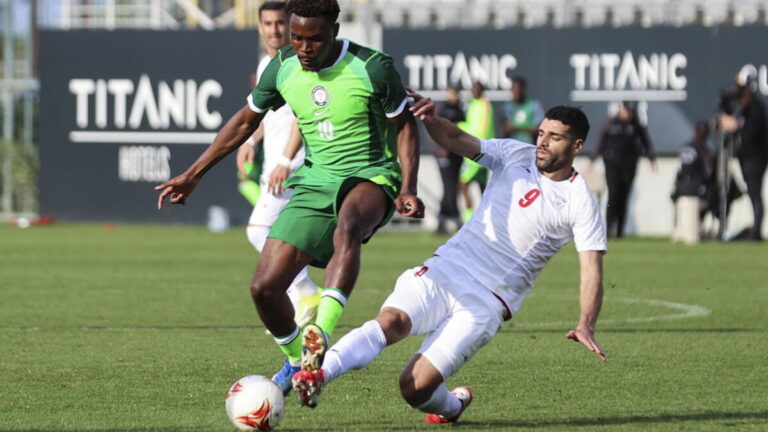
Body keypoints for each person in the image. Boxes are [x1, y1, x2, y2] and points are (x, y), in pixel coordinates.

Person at [155, 0, 424, 394]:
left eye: (314, 39)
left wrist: (408, 187)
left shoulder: (372, 67)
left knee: (348, 225)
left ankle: (320, 331)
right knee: (263, 289)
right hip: (314, 180)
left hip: (370, 174)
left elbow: (404, 126)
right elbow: (246, 120)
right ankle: (302, 362)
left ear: (334, 29)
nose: (304, 47)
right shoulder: (283, 65)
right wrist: (194, 174)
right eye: (297, 37)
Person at [292, 90, 608, 425]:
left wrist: (585, 324)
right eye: (542, 133)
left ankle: (452, 407)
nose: (542, 143)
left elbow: (591, 269)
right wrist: (430, 118)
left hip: (488, 301)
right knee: (390, 322)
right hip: (447, 268)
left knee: (413, 387)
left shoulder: (580, 201)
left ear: (576, 146)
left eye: (555, 138)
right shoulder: (517, 153)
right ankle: (315, 375)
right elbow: (457, 138)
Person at [234, 1, 320, 329]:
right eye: (268, 23)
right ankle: (307, 295)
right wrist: (250, 142)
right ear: (260, 27)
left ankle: (305, 291)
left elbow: (303, 116)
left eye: (280, 23)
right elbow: (263, 115)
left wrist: (285, 160)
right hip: (276, 163)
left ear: (290, 25)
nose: (274, 30)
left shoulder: (299, 64)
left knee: (259, 230)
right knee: (276, 233)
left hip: (294, 164)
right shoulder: (265, 64)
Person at [590, 101, 656, 238]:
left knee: (624, 197)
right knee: (613, 194)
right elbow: (601, 141)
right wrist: (592, 159)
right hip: (612, 164)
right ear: (622, 109)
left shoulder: (636, 125)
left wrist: (652, 159)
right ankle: (608, 229)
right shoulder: (611, 123)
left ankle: (620, 232)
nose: (629, 114)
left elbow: (646, 142)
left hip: (629, 165)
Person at [721, 83, 767, 241]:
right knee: (753, 194)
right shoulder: (746, 110)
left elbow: (751, 134)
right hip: (747, 157)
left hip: (755, 158)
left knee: (755, 194)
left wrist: (736, 127)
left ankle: (756, 231)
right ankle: (755, 229)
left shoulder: (757, 110)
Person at [457, 81, 495, 222]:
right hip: (479, 151)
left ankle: (469, 222)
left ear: (482, 90)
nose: (473, 91)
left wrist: (460, 126)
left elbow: (481, 131)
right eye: (472, 88)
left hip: (478, 152)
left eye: (476, 88)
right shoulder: (474, 104)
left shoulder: (484, 105)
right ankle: (486, 220)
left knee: (463, 185)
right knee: (483, 188)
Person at [671, 122, 713, 244]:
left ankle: (682, 230)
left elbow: (680, 171)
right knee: (710, 200)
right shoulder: (703, 149)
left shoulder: (685, 146)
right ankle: (698, 229)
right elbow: (708, 171)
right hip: (696, 189)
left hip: (681, 189)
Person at [434, 84, 465, 234]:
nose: (455, 95)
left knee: (452, 187)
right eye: (452, 92)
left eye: (457, 92)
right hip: (444, 152)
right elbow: (434, 128)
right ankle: (458, 220)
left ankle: (440, 221)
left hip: (457, 152)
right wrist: (440, 146)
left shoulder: (461, 108)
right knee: (449, 187)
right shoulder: (442, 108)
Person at [501, 76, 544, 144]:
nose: (516, 93)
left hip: (529, 146)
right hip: (512, 147)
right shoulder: (508, 106)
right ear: (511, 90)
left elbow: (538, 129)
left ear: (523, 90)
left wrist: (517, 128)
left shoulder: (534, 105)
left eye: (519, 91)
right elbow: (505, 127)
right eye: (514, 90)